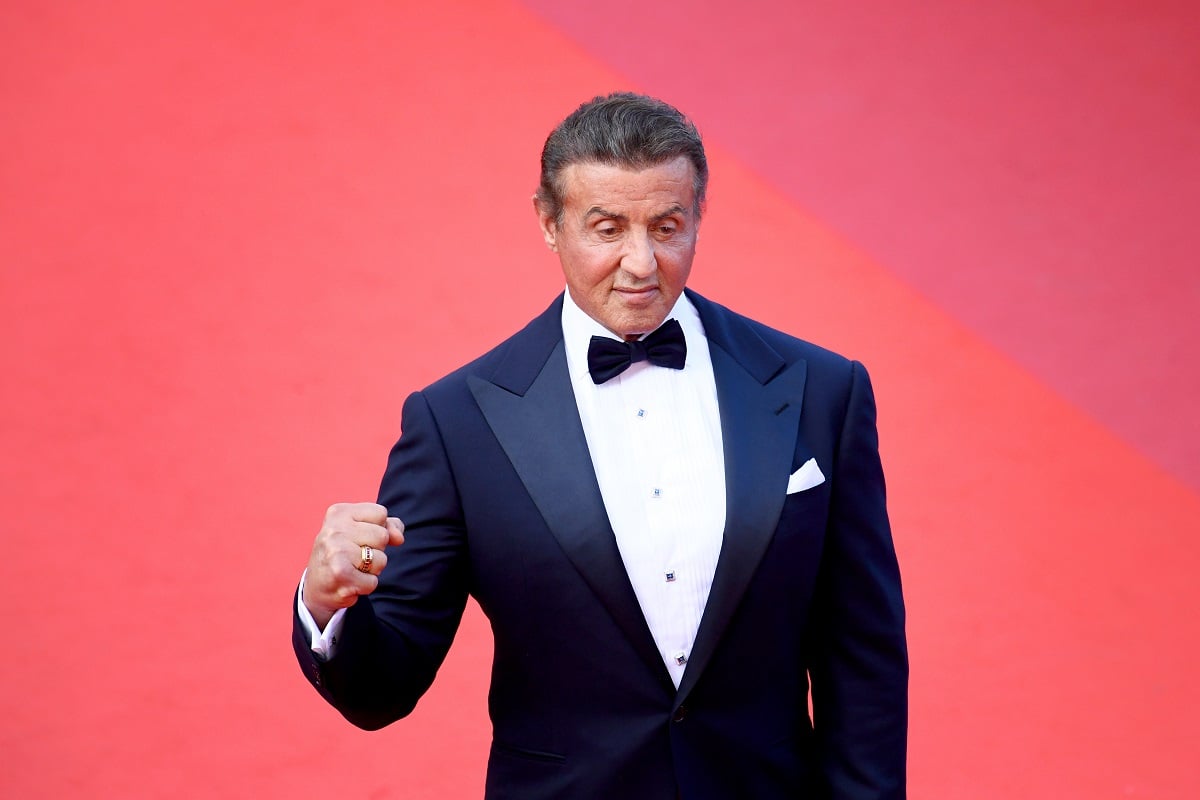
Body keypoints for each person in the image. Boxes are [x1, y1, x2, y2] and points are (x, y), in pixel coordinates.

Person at [293, 92, 908, 799]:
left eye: (667, 226)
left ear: (700, 217)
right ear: (549, 224)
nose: (641, 263)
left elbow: (863, 661)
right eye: (607, 228)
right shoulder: (456, 422)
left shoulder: (826, 391)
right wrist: (328, 604)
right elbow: (382, 689)